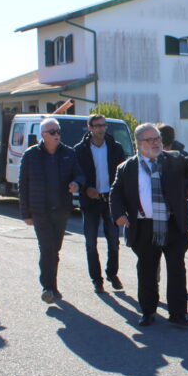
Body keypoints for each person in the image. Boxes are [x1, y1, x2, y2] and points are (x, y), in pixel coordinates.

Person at [111, 123, 188, 327]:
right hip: (144, 226)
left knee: (177, 270)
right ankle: (148, 311)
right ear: (139, 143)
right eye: (150, 140)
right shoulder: (127, 168)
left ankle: (178, 314)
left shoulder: (175, 159)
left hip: (172, 223)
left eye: (158, 139)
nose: (156, 143)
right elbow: (115, 193)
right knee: (146, 270)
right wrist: (118, 214)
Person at [19, 117, 84, 304]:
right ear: (43, 135)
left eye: (58, 131)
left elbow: (79, 173)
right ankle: (48, 287)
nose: (57, 135)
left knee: (55, 249)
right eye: (52, 132)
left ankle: (51, 285)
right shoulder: (31, 155)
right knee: (47, 249)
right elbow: (23, 185)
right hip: (40, 211)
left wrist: (76, 183)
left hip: (61, 209)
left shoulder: (69, 153)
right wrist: (26, 213)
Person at [75, 114, 127, 293]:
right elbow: (76, 174)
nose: (101, 129)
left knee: (113, 240)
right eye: (97, 126)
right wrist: (86, 188)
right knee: (91, 242)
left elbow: (123, 175)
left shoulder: (115, 147)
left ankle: (112, 274)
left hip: (110, 200)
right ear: (90, 128)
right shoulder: (80, 150)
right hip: (90, 201)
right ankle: (96, 279)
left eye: (103, 125)